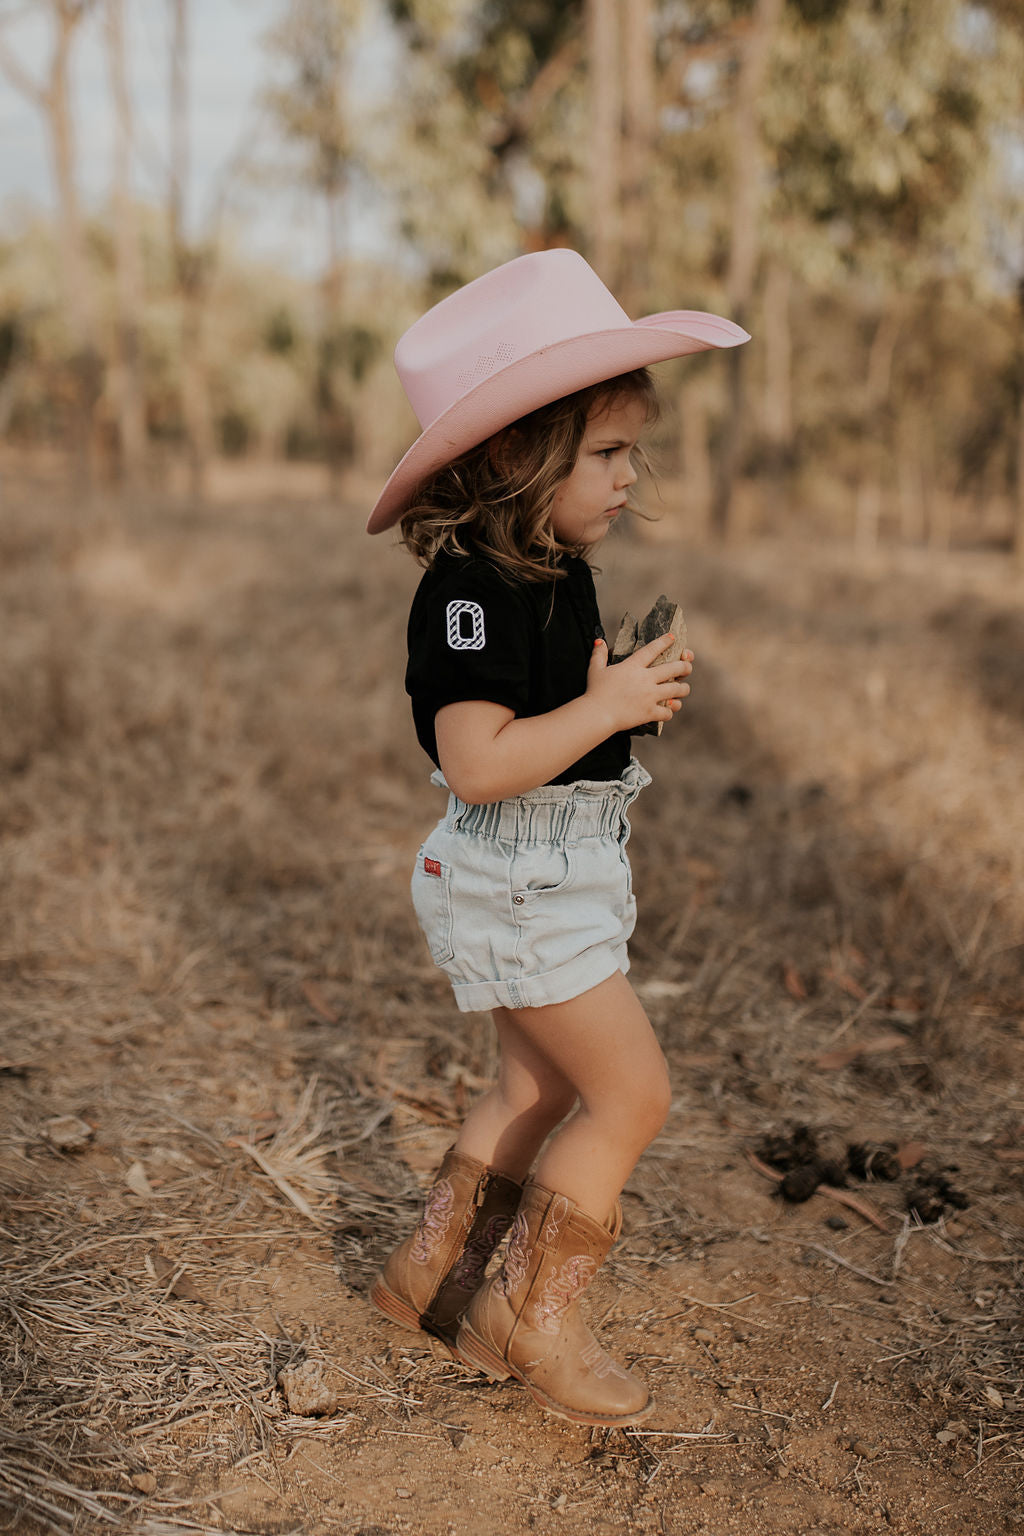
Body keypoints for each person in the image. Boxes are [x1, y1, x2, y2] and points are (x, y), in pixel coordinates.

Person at [365, 249, 748, 1427]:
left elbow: (555, 723)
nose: (633, 476)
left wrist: (616, 693)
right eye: (608, 452)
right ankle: (533, 1319)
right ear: (514, 455)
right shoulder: (469, 591)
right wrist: (603, 710)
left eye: (633, 449)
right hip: (518, 874)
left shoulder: (558, 572)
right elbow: (479, 761)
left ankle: (425, 1281)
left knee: (533, 1086)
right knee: (631, 1095)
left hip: (554, 866)